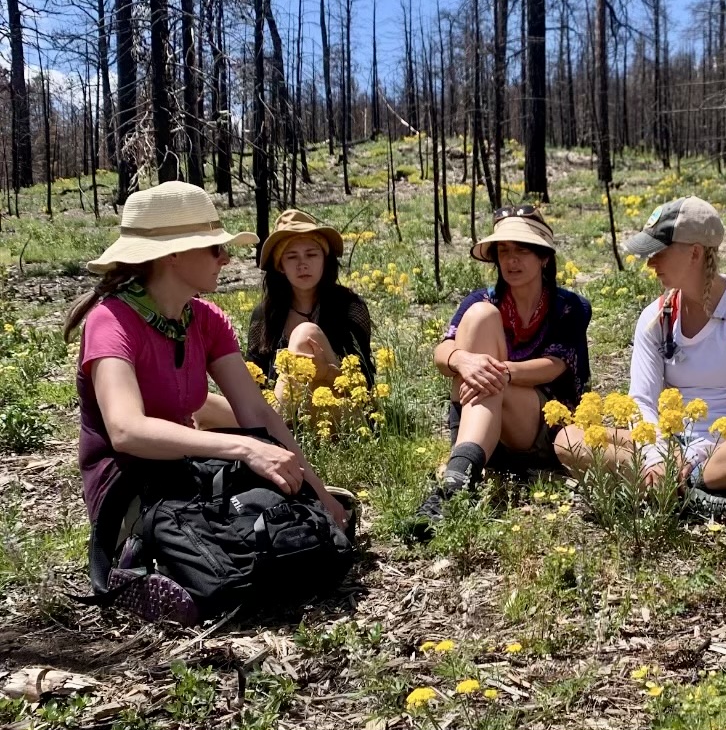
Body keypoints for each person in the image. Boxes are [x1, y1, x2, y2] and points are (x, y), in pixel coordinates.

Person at [66, 182, 349, 619]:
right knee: (223, 540)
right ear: (173, 254)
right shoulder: (111, 321)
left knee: (282, 520)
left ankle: (183, 572)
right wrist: (244, 447)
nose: (226, 258)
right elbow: (127, 431)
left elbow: (258, 414)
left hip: (186, 471)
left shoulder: (205, 319)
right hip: (129, 490)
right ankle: (140, 568)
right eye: (214, 249)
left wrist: (317, 492)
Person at [554, 196, 726, 528]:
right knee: (568, 439)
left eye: (659, 253)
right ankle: (699, 501)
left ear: (695, 252)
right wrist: (657, 455)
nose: (650, 263)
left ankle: (671, 488)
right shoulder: (655, 318)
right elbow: (641, 400)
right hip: (667, 444)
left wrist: (698, 454)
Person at [410, 205, 591, 537]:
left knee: (494, 382)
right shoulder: (483, 299)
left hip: (543, 428)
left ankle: (459, 474)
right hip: (489, 420)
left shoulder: (570, 307)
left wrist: (501, 372)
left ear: (544, 258)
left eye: (522, 250)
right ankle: (460, 480)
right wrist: (462, 361)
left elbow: (553, 366)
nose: (511, 260)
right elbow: (442, 351)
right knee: (479, 317)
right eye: (504, 251)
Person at [246, 209, 373, 411]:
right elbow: (254, 380)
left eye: (311, 254)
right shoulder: (264, 316)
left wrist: (326, 371)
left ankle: (272, 433)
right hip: (289, 418)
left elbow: (365, 379)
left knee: (306, 333)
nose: (302, 264)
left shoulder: (349, 306)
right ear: (280, 266)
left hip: (343, 415)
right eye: (292, 257)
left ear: (324, 259)